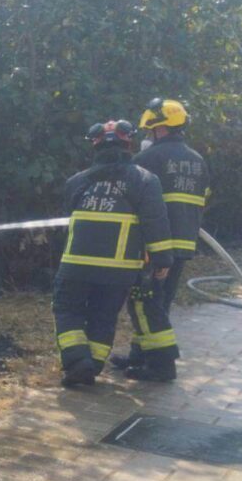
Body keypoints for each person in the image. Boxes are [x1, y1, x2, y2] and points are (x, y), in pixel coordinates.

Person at [52, 120, 174, 387]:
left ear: (95, 146)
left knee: (67, 310)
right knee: (104, 315)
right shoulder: (145, 180)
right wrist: (162, 259)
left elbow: (66, 222)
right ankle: (93, 364)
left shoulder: (77, 181)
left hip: (76, 264)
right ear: (128, 144)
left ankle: (78, 362)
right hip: (120, 270)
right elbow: (155, 222)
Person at [108, 98, 209, 380]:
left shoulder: (148, 158)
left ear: (160, 128)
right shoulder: (198, 161)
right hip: (183, 244)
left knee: (146, 303)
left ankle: (161, 366)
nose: (148, 135)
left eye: (150, 130)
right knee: (157, 303)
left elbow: (130, 201)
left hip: (153, 245)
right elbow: (203, 200)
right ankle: (140, 355)